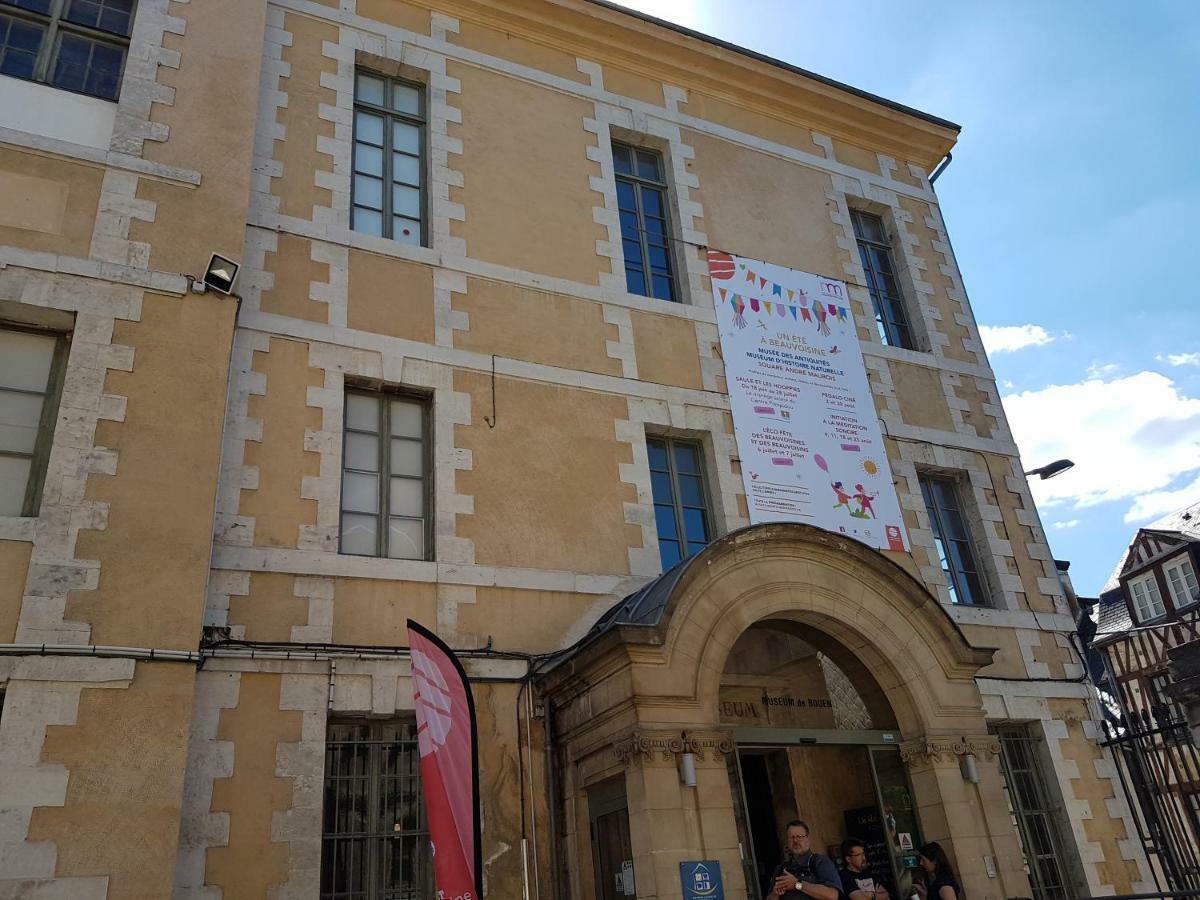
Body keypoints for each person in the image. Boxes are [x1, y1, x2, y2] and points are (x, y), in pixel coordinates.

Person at [766, 820, 841, 900]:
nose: (795, 841)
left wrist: (797, 884)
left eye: (799, 837)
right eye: (791, 837)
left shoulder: (820, 862)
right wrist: (776, 893)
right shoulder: (780, 869)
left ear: (808, 839)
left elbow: (833, 895)